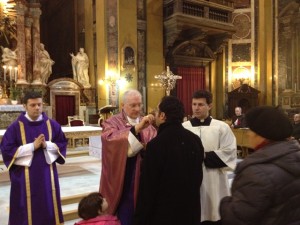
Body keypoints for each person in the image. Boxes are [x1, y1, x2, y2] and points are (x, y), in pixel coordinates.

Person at [220, 106, 300, 225]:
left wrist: (225, 202)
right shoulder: (294, 156)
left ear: (262, 135)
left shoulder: (256, 173)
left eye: (251, 130)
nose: (248, 134)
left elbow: (237, 218)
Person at [133, 96, 204, 225]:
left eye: (156, 110)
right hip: (190, 211)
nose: (154, 114)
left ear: (162, 115)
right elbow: (198, 177)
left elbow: (148, 188)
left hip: (164, 213)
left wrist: (140, 219)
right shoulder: (195, 140)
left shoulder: (156, 145)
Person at [0, 91, 68, 225]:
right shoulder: (15, 127)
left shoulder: (52, 125)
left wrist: (46, 145)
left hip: (47, 175)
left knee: (47, 203)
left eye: (39, 104)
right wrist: (32, 146)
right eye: (33, 105)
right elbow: (7, 150)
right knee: (24, 207)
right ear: (24, 106)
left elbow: (62, 143)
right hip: (23, 177)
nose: (37, 108)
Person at [99, 89, 157, 225]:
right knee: (126, 211)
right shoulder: (112, 122)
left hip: (144, 177)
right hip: (124, 177)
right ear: (122, 105)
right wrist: (136, 129)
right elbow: (109, 140)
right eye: (133, 105)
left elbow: (155, 144)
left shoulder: (148, 124)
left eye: (139, 105)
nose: (137, 109)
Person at [182, 90, 237, 225]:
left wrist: (201, 155)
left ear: (210, 106)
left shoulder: (221, 127)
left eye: (201, 104)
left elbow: (229, 152)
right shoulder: (183, 127)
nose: (196, 108)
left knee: (213, 214)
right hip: (190, 177)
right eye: (194, 104)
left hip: (213, 178)